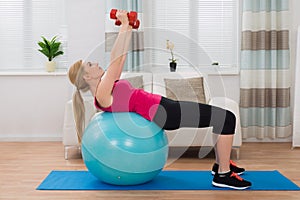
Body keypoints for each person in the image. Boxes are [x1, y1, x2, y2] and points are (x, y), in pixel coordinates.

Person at [68, 10, 251, 190]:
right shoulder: (102, 93)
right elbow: (117, 62)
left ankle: (221, 165)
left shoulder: (103, 89)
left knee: (220, 117)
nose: (97, 64)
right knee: (227, 117)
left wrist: (129, 28)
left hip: (164, 107)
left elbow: (116, 57)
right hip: (164, 113)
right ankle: (223, 175)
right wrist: (124, 25)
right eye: (90, 65)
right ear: (85, 77)